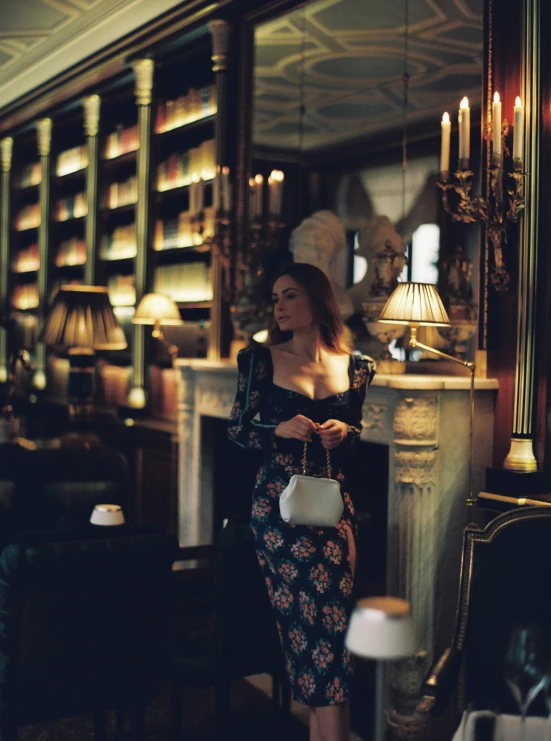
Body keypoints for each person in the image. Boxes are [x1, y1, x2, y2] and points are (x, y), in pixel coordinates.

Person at [227, 262, 375, 741]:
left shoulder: (357, 368)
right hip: (278, 511)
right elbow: (237, 430)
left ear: (316, 300)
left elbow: (357, 436)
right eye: (276, 298)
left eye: (290, 295)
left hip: (335, 510)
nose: (280, 306)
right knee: (316, 634)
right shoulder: (259, 361)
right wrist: (278, 429)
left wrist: (344, 433)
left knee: (328, 636)